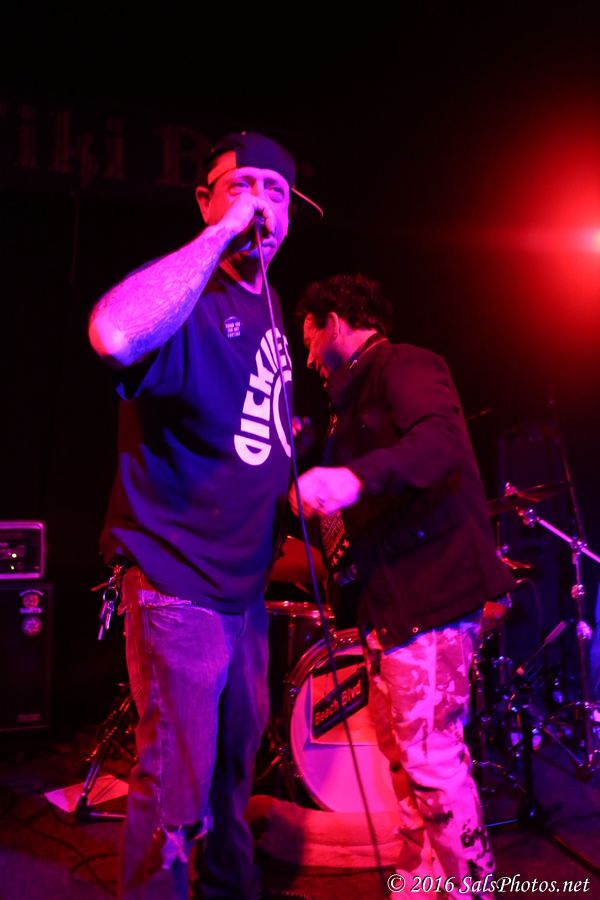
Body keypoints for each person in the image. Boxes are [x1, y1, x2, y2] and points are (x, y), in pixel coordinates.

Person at [88, 131, 321, 900]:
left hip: (241, 586)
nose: (260, 202)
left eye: (275, 191)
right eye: (240, 186)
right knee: (174, 792)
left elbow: (245, 420)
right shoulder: (190, 293)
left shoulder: (271, 301)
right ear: (205, 201)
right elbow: (113, 332)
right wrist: (220, 236)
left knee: (232, 774)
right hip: (179, 583)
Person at [290, 274, 514, 899]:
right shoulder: (346, 406)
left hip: (430, 598)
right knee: (402, 758)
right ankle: (423, 875)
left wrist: (350, 481)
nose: (307, 358)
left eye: (308, 339)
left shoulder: (406, 364)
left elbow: (439, 445)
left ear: (335, 322)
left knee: (431, 758)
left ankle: (471, 887)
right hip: (388, 611)